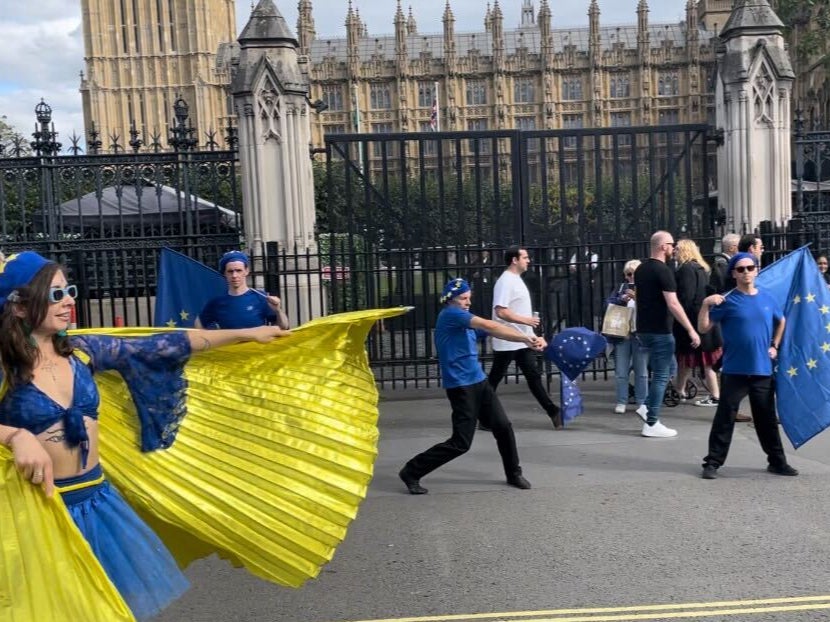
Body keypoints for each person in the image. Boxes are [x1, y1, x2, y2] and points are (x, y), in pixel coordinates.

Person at [0, 251, 290, 620]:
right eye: (55, 294)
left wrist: (244, 333)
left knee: (108, 609)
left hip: (98, 506)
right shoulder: (5, 367)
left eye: (69, 290)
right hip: (38, 513)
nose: (69, 300)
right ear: (20, 308)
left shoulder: (83, 353)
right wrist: (14, 436)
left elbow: (164, 344)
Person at [399, 278, 544, 494]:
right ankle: (411, 471)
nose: (468, 302)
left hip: (479, 382)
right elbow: (489, 324)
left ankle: (513, 473)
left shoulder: (462, 320)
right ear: (450, 300)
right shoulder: (451, 315)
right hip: (460, 386)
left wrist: (528, 338)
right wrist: (526, 338)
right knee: (461, 442)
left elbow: (492, 329)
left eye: (469, 298)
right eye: (463, 298)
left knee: (503, 427)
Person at [698, 252, 797, 479]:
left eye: (750, 268)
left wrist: (775, 345)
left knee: (766, 419)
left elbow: (781, 321)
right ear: (733, 273)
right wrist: (705, 304)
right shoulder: (727, 300)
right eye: (740, 269)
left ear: (756, 270)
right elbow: (704, 328)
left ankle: (777, 462)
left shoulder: (767, 298)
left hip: (762, 369)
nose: (746, 273)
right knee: (725, 417)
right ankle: (712, 463)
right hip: (734, 370)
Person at [634, 231, 701, 438]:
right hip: (661, 330)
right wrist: (691, 329)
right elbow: (673, 303)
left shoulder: (641, 269)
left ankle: (646, 407)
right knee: (663, 375)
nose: (674, 249)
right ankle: (652, 422)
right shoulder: (663, 271)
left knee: (664, 371)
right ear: (663, 247)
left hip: (644, 328)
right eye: (672, 245)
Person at [486, 248, 561, 430]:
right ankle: (482, 415)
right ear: (514, 260)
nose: (528, 261)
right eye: (525, 257)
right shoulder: (505, 282)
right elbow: (501, 311)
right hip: (507, 339)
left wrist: (530, 335)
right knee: (495, 379)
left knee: (532, 376)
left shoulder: (515, 280)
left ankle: (553, 412)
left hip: (520, 339)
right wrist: (526, 321)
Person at [672, 240, 722, 407]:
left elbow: (686, 298)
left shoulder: (685, 269)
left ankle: (713, 395)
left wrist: (683, 322)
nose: (674, 251)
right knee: (701, 360)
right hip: (703, 318)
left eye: (677, 248)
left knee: (692, 359)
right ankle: (680, 390)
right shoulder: (701, 268)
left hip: (693, 320)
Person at [196, 250, 289, 329]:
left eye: (238, 270)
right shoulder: (217, 302)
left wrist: (278, 310)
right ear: (225, 273)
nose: (234, 275)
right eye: (230, 271)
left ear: (246, 271)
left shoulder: (261, 297)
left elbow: (284, 326)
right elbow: (199, 325)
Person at [606, 259, 648, 414]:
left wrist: (637, 298)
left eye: (635, 274)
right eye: (629, 274)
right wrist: (621, 299)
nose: (632, 278)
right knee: (621, 371)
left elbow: (652, 306)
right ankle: (621, 400)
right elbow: (608, 304)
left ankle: (642, 401)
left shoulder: (646, 289)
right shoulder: (621, 288)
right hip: (622, 335)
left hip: (640, 335)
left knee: (641, 371)